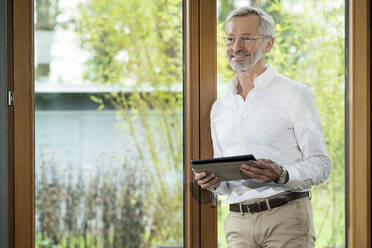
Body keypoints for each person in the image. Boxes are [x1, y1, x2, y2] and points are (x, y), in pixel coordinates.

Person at [193, 7, 331, 248]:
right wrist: (214, 182)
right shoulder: (220, 108)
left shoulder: (295, 95)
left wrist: (282, 174)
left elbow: (321, 164)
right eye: (230, 38)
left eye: (247, 38)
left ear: (268, 44)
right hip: (237, 223)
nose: (236, 47)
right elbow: (225, 186)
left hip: (286, 218)